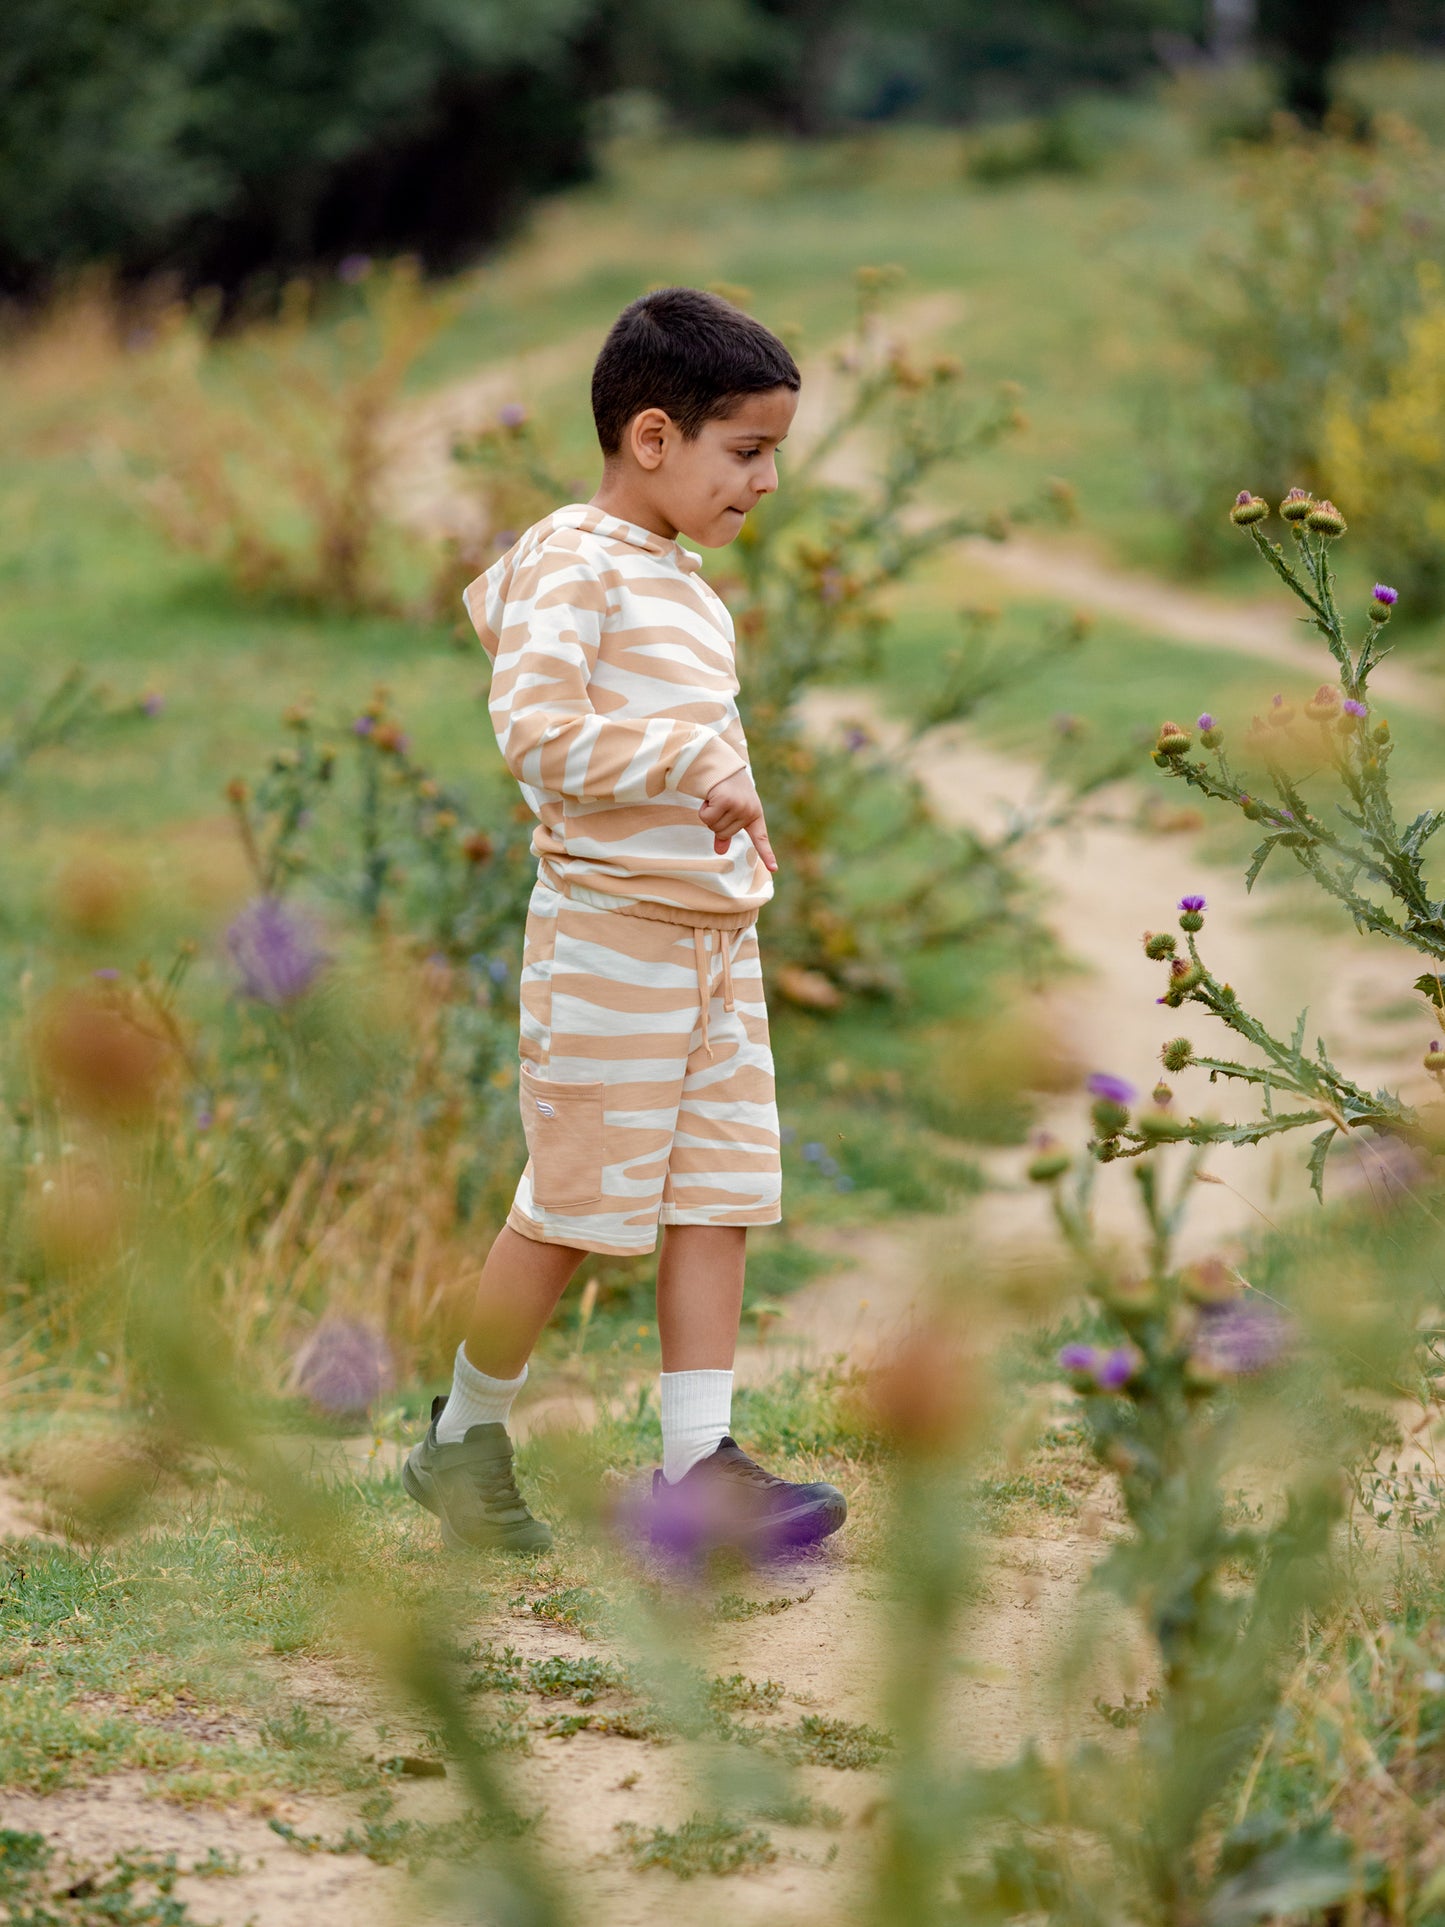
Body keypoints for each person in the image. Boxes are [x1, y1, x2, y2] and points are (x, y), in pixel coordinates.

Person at [402, 287, 847, 1556]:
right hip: (607, 942)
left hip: (714, 947)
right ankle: (460, 1436)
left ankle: (699, 1466)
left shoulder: (682, 583)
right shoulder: (571, 562)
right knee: (571, 1207)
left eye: (773, 454)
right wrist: (685, 761)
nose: (765, 482)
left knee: (715, 1194)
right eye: (745, 451)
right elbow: (532, 732)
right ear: (652, 438)